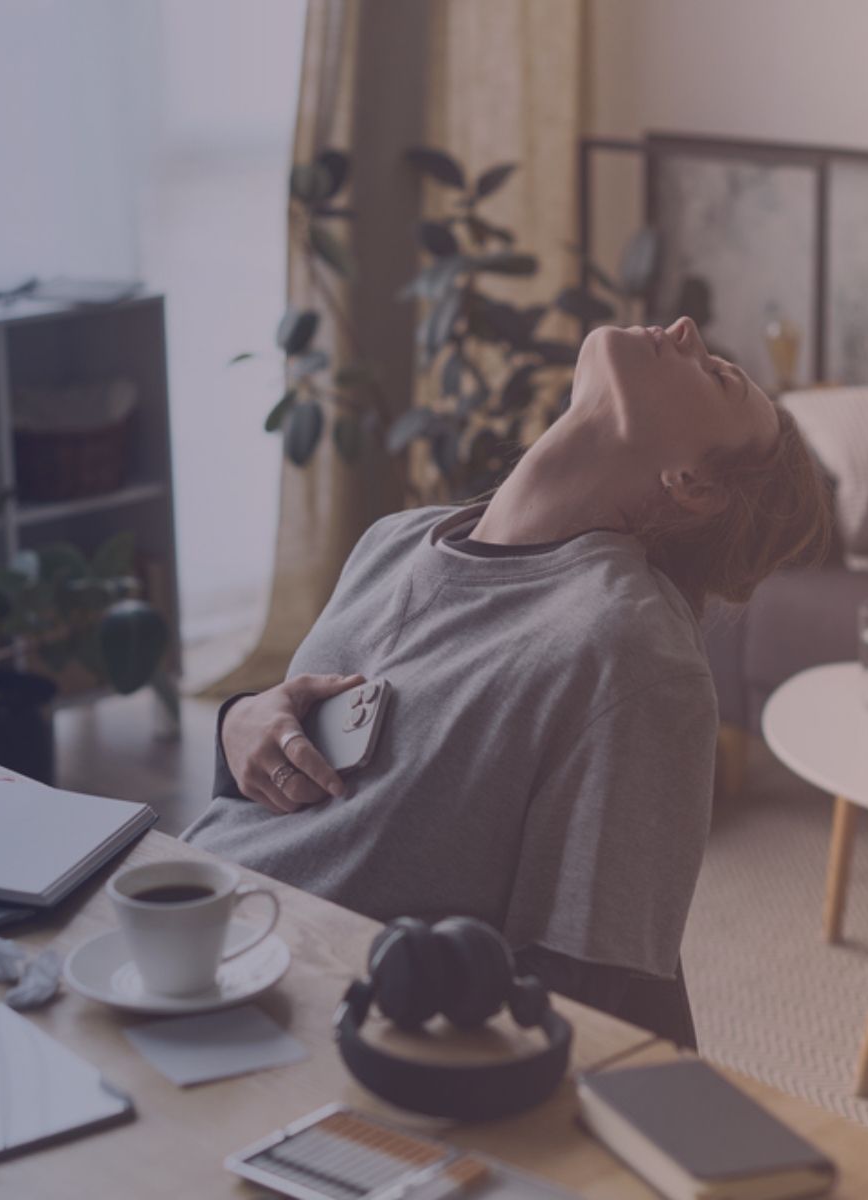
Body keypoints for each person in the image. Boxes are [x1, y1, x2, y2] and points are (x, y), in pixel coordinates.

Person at [185, 316, 833, 1047]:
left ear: (692, 484)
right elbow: (299, 791)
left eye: (717, 375)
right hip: (165, 910)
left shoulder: (630, 651)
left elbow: (588, 993)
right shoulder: (392, 542)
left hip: (280, 1015)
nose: (685, 329)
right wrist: (240, 723)